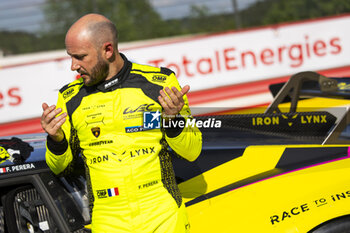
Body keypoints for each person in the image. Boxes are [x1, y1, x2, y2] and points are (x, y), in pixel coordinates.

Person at [41, 13, 202, 232]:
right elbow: (59, 168)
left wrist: (172, 120)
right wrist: (56, 140)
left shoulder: (160, 83)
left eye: (80, 57)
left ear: (107, 50)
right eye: (71, 57)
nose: (73, 66)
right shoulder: (69, 98)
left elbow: (192, 151)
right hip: (108, 221)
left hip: (163, 216)